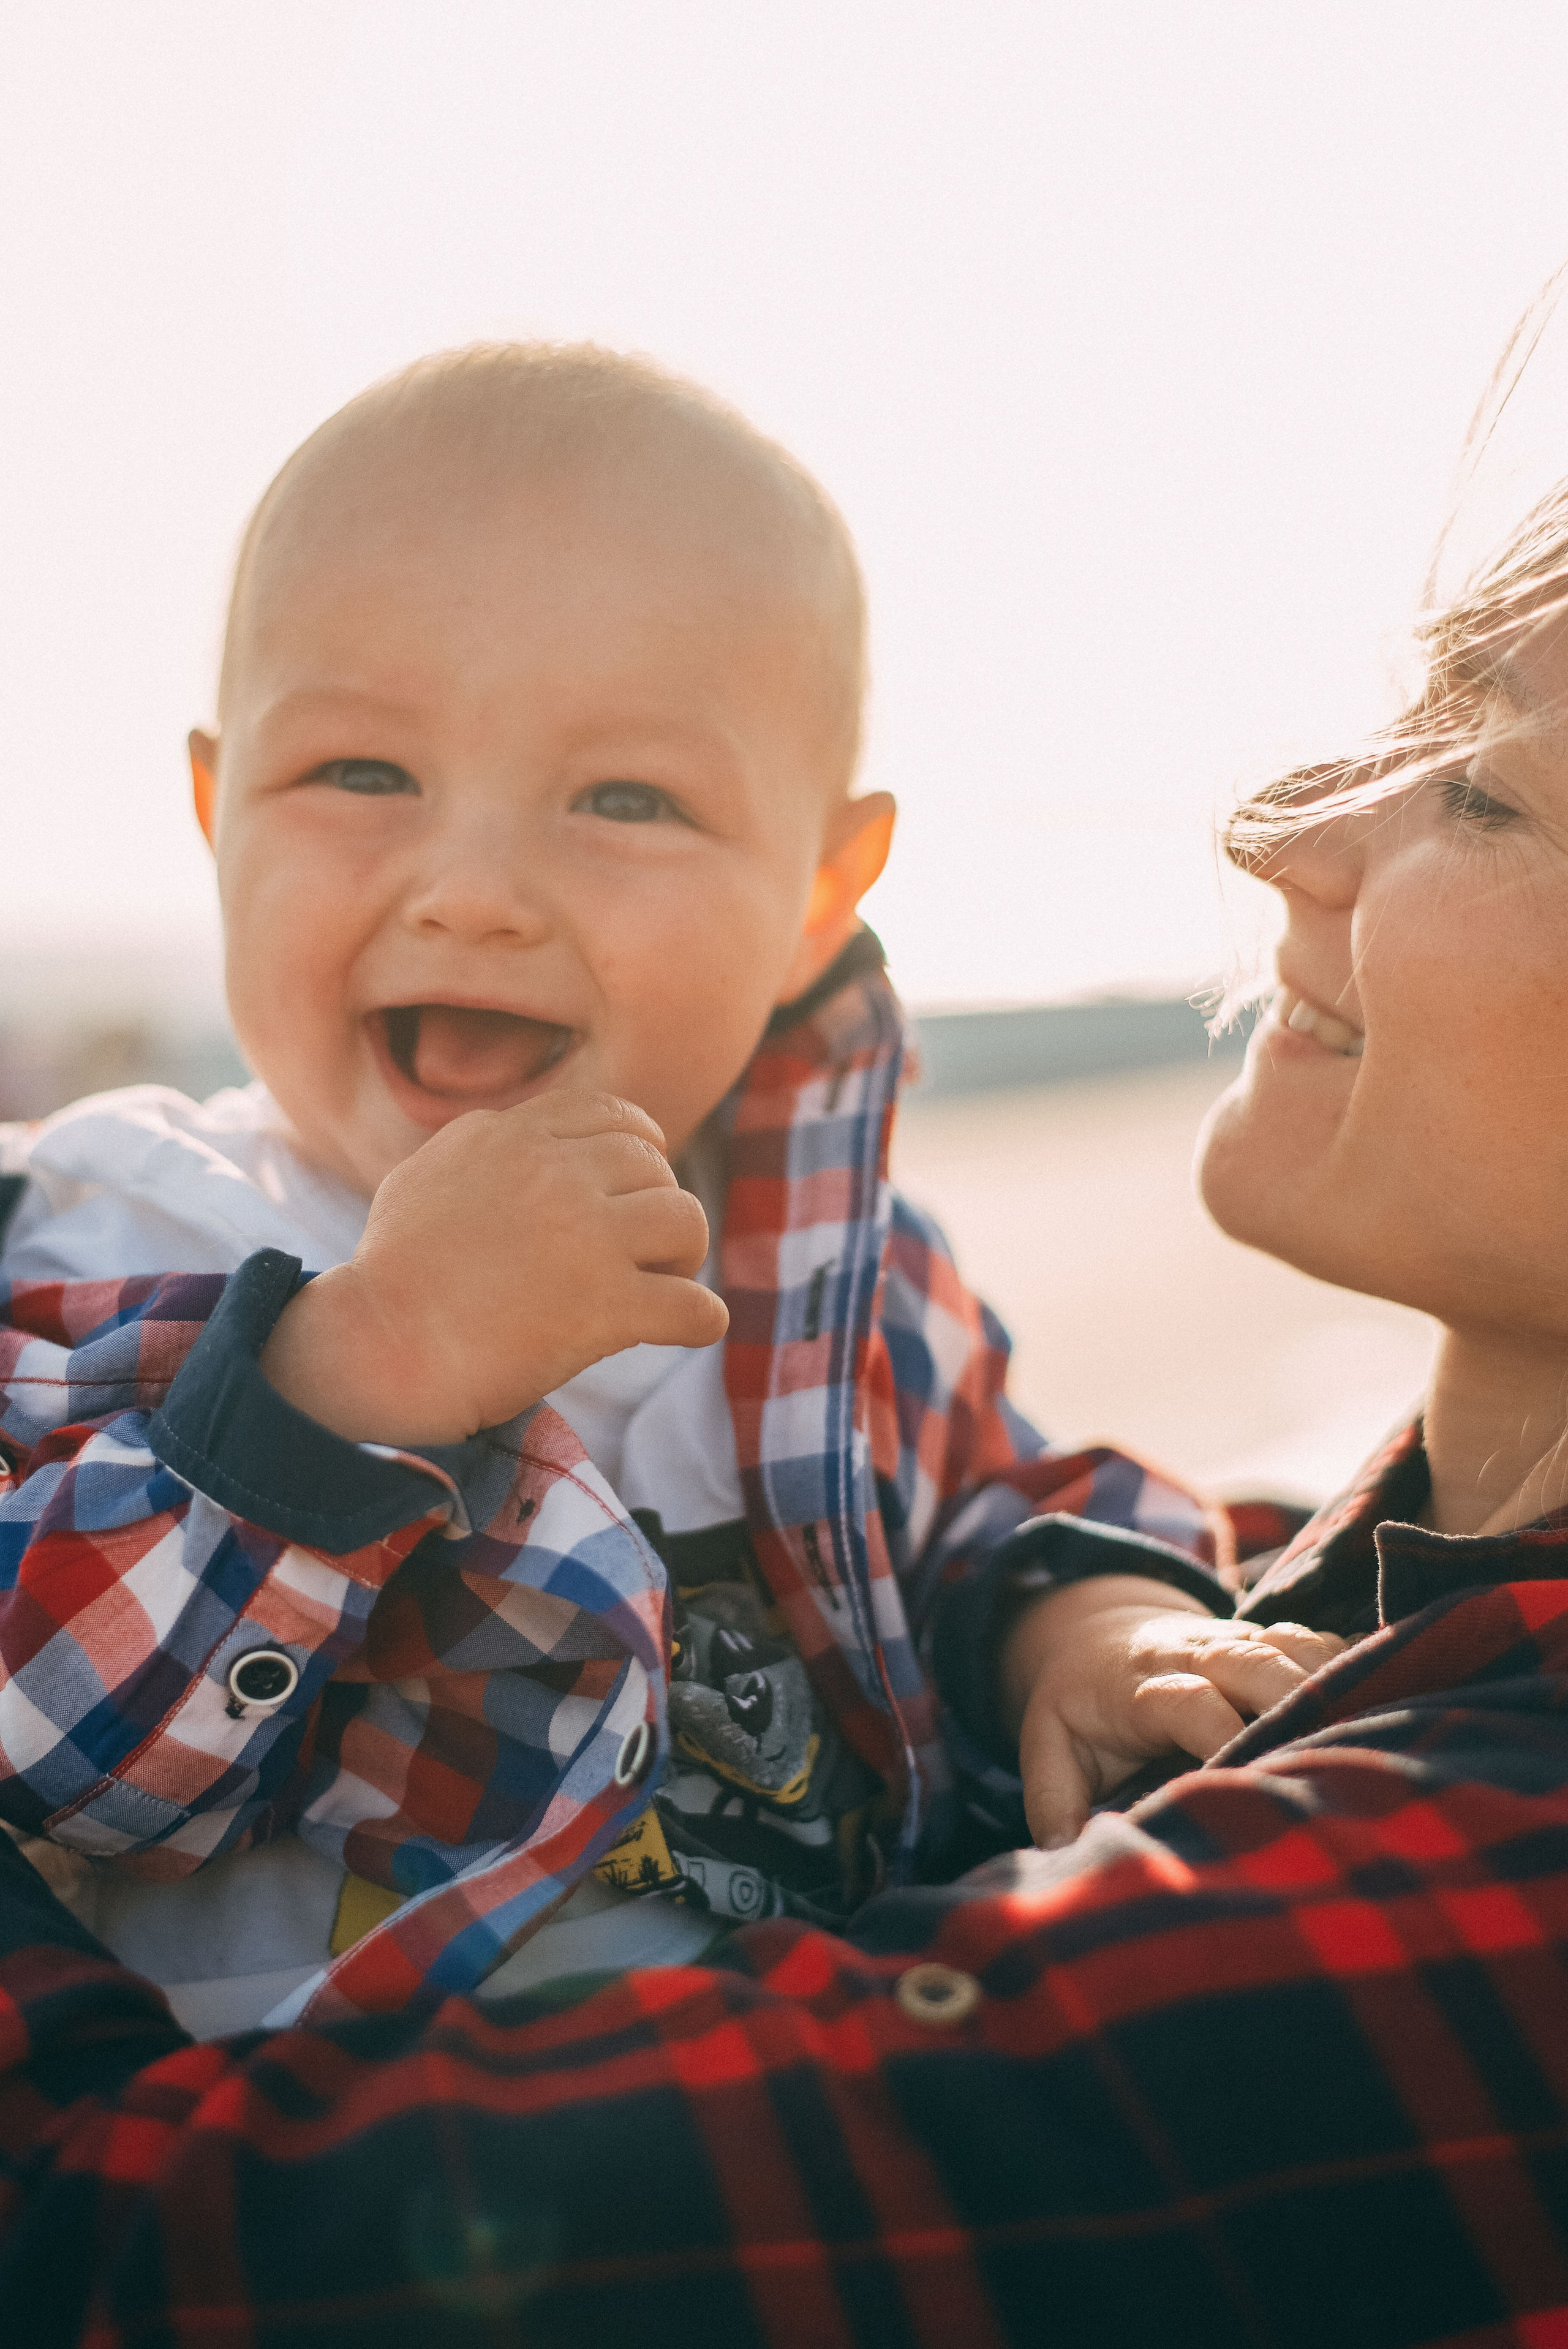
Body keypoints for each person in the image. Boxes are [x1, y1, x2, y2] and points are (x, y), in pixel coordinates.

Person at [3, 330, 1568, 2347]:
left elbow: (979, 1494)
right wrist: (329, 1393)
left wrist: (1061, 1614)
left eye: (627, 798)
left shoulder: (831, 1280)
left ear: (825, 889)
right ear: (214, 810)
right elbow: (51, 1742)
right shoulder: (114, 1248)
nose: (473, 888)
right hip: (272, 2052)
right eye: (360, 771)